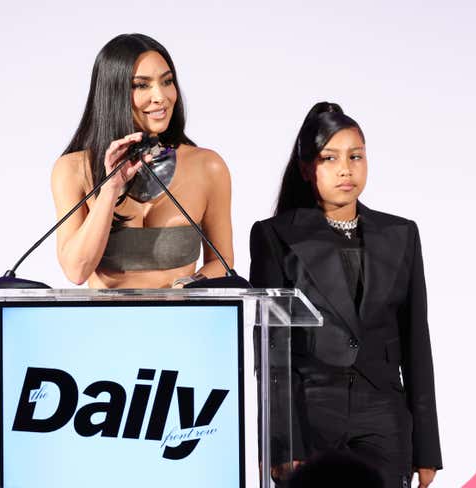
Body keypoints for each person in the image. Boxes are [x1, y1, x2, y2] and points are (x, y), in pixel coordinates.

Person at [249, 102, 442, 488]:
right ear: (307, 168)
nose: (345, 169)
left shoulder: (401, 233)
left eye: (356, 156)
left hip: (384, 415)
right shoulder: (276, 235)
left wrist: (427, 448)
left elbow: (417, 343)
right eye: (330, 157)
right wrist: (284, 443)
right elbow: (270, 351)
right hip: (311, 411)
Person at [51, 34, 233, 288]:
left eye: (167, 81)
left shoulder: (208, 167)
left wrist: (189, 284)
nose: (161, 96)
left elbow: (223, 263)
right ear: (113, 93)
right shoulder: (72, 170)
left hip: (181, 322)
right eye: (141, 85)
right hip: (104, 324)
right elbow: (76, 271)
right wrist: (110, 189)